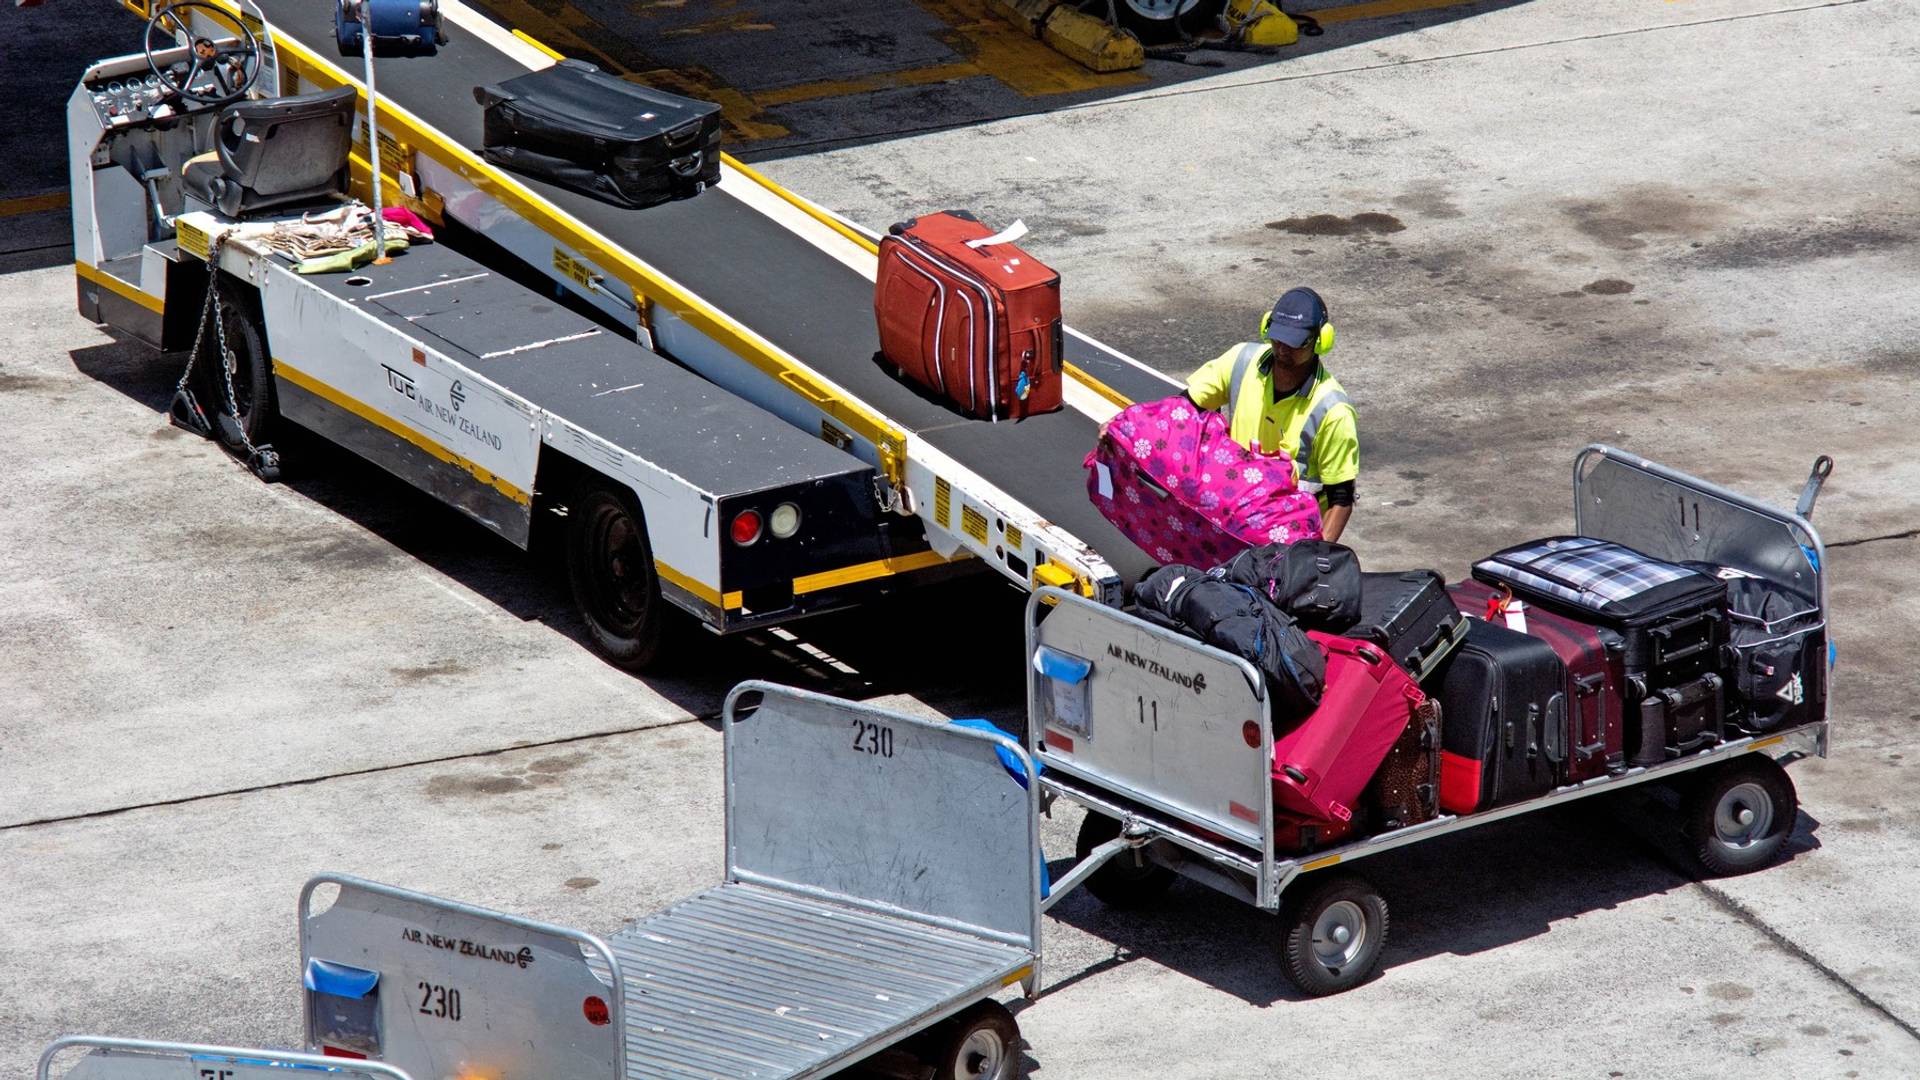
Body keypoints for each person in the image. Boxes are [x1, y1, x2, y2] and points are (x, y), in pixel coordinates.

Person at [1184, 287, 1358, 541]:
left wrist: (1312, 559)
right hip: (1229, 522)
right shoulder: (1240, 362)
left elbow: (1341, 499)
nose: (1283, 350)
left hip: (1290, 541)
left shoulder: (1333, 412)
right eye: (1277, 339)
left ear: (1321, 341)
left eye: (1295, 343)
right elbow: (1184, 410)